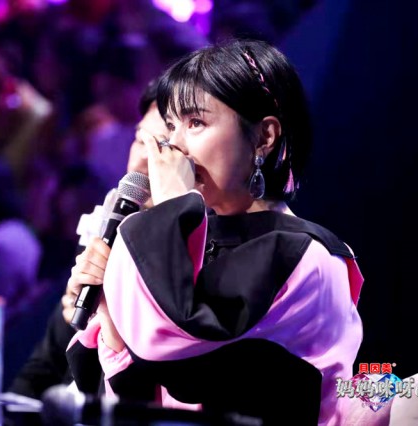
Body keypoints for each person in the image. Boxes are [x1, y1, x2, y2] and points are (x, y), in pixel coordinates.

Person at [66, 39, 364, 425]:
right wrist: (109, 309)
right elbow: (137, 394)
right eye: (171, 126)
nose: (175, 145)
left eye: (196, 123)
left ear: (264, 137)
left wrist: (173, 209)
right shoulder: (191, 237)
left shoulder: (307, 256)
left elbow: (180, 353)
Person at [8, 78, 167, 399]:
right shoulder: (106, 229)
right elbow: (40, 371)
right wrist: (74, 317)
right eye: (140, 140)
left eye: (162, 146)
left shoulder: (189, 254)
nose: (142, 160)